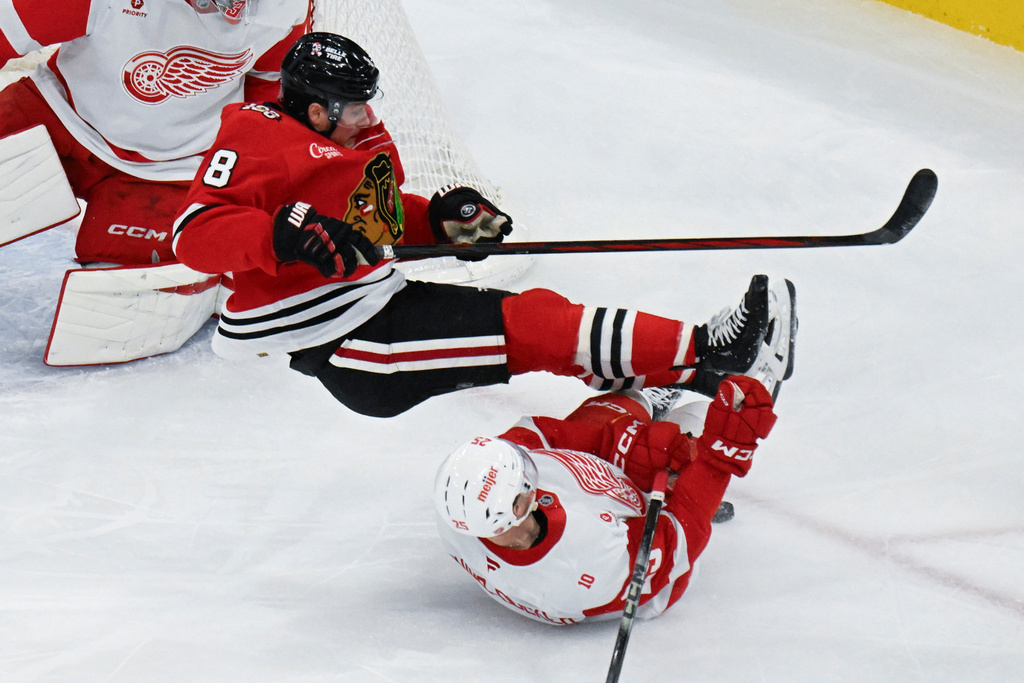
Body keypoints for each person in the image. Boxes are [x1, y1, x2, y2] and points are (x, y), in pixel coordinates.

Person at [172, 32, 778, 417]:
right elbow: (194, 233)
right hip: (352, 343)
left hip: (377, 307)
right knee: (533, 326)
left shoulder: (350, 142)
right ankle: (709, 351)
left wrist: (442, 223)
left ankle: (673, 388)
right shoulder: (258, 138)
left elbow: (378, 222)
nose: (368, 116)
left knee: (541, 314)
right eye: (355, 106)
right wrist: (279, 235)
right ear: (315, 110)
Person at [432, 303, 791, 624]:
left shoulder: (460, 512)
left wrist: (626, 444)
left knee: (618, 408)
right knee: (709, 430)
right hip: (642, 552)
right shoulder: (582, 567)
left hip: (585, 524)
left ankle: (647, 405)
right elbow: (680, 535)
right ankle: (751, 397)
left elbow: (535, 435)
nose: (528, 473)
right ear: (515, 509)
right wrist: (719, 459)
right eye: (524, 485)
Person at [0, 0, 312, 264]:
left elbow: (270, 89)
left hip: (174, 168)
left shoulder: (286, 7)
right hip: (61, 118)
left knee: (130, 290)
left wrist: (246, 178)